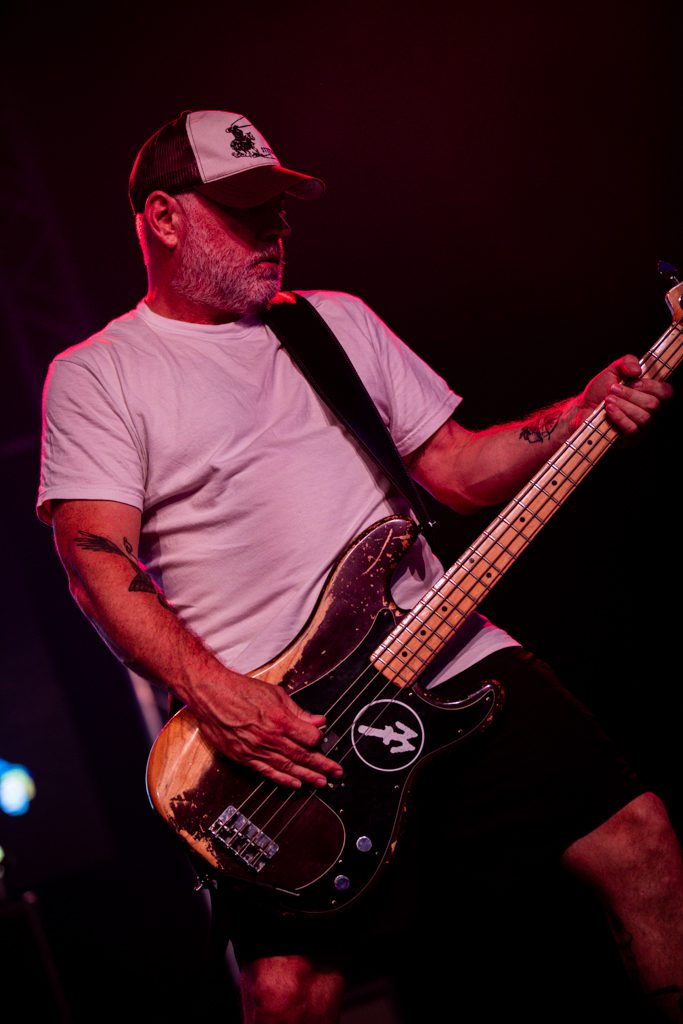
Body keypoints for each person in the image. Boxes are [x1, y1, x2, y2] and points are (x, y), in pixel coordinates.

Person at [37, 109, 683, 1023]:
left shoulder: (332, 323)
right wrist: (218, 696)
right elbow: (94, 562)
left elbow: (452, 468)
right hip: (286, 729)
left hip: (441, 649)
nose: (275, 228)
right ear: (163, 218)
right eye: (244, 208)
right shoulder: (100, 373)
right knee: (288, 993)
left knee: (640, 839)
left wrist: (575, 412)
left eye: (278, 206)